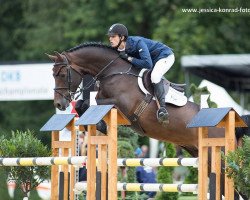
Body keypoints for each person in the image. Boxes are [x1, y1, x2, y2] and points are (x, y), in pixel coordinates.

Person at [107, 23, 175, 125]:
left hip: (164, 56)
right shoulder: (117, 48)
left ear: (122, 37)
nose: (110, 39)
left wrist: (129, 58)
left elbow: (147, 64)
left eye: (113, 36)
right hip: (152, 61)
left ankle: (162, 110)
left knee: (155, 76)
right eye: (109, 37)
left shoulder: (137, 42)